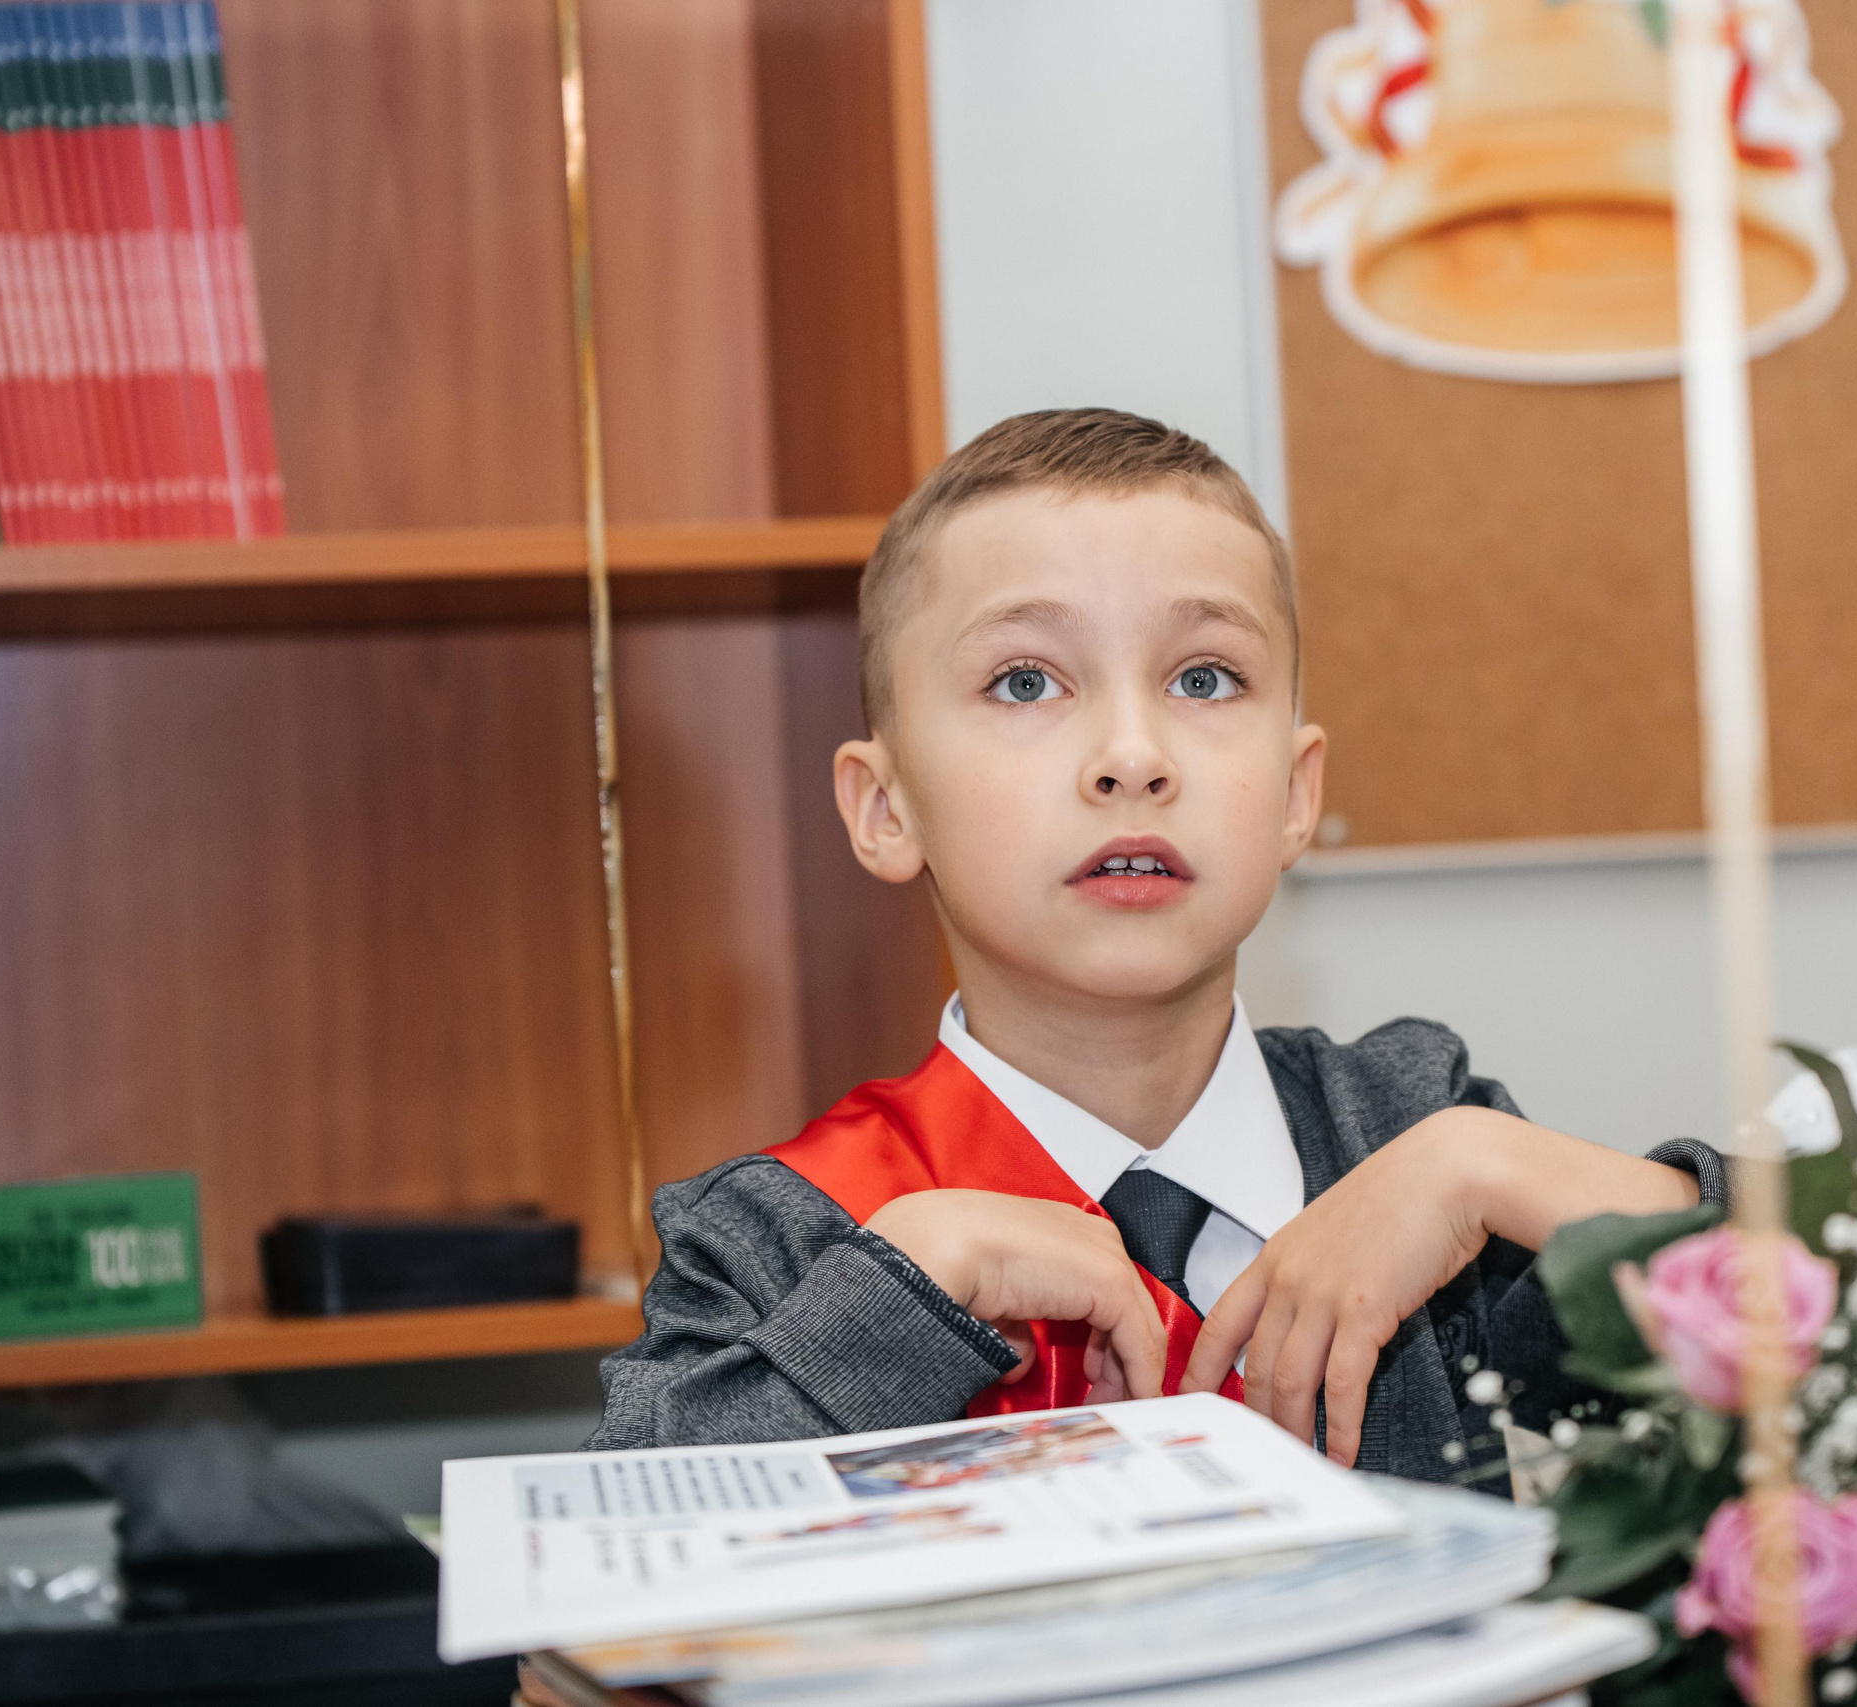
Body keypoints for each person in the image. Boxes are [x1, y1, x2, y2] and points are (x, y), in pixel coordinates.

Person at [587, 407, 1725, 1481]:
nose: (1132, 756)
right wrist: (908, 1290)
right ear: (886, 809)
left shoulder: (1406, 1139)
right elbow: (603, 1585)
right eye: (1025, 681)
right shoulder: (780, 1234)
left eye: (1203, 678)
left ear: (1293, 793)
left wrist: (1491, 1166)